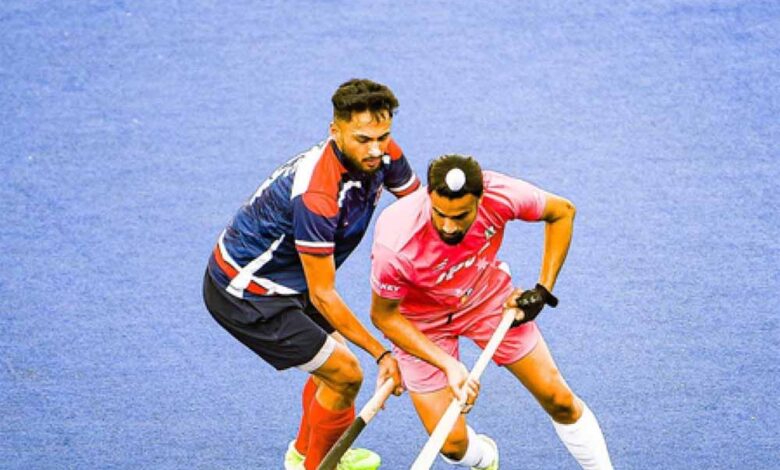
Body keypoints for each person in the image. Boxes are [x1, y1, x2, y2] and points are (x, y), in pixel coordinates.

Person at [202, 79, 417, 470]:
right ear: (335, 131)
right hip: (247, 292)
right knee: (346, 374)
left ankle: (305, 453)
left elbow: (419, 212)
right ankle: (318, 466)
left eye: (382, 137)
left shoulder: (382, 154)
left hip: (291, 275)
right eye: (363, 139)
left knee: (334, 367)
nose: (375, 149)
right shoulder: (318, 194)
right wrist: (382, 352)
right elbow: (323, 295)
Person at [370, 154, 613, 469]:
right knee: (452, 445)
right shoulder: (396, 241)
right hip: (421, 324)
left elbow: (562, 212)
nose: (449, 226)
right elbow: (384, 316)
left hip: (486, 300)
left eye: (461, 216)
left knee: (560, 400)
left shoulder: (500, 193)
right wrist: (448, 365)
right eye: (440, 214)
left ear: (481, 199)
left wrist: (542, 291)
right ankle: (485, 458)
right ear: (428, 196)